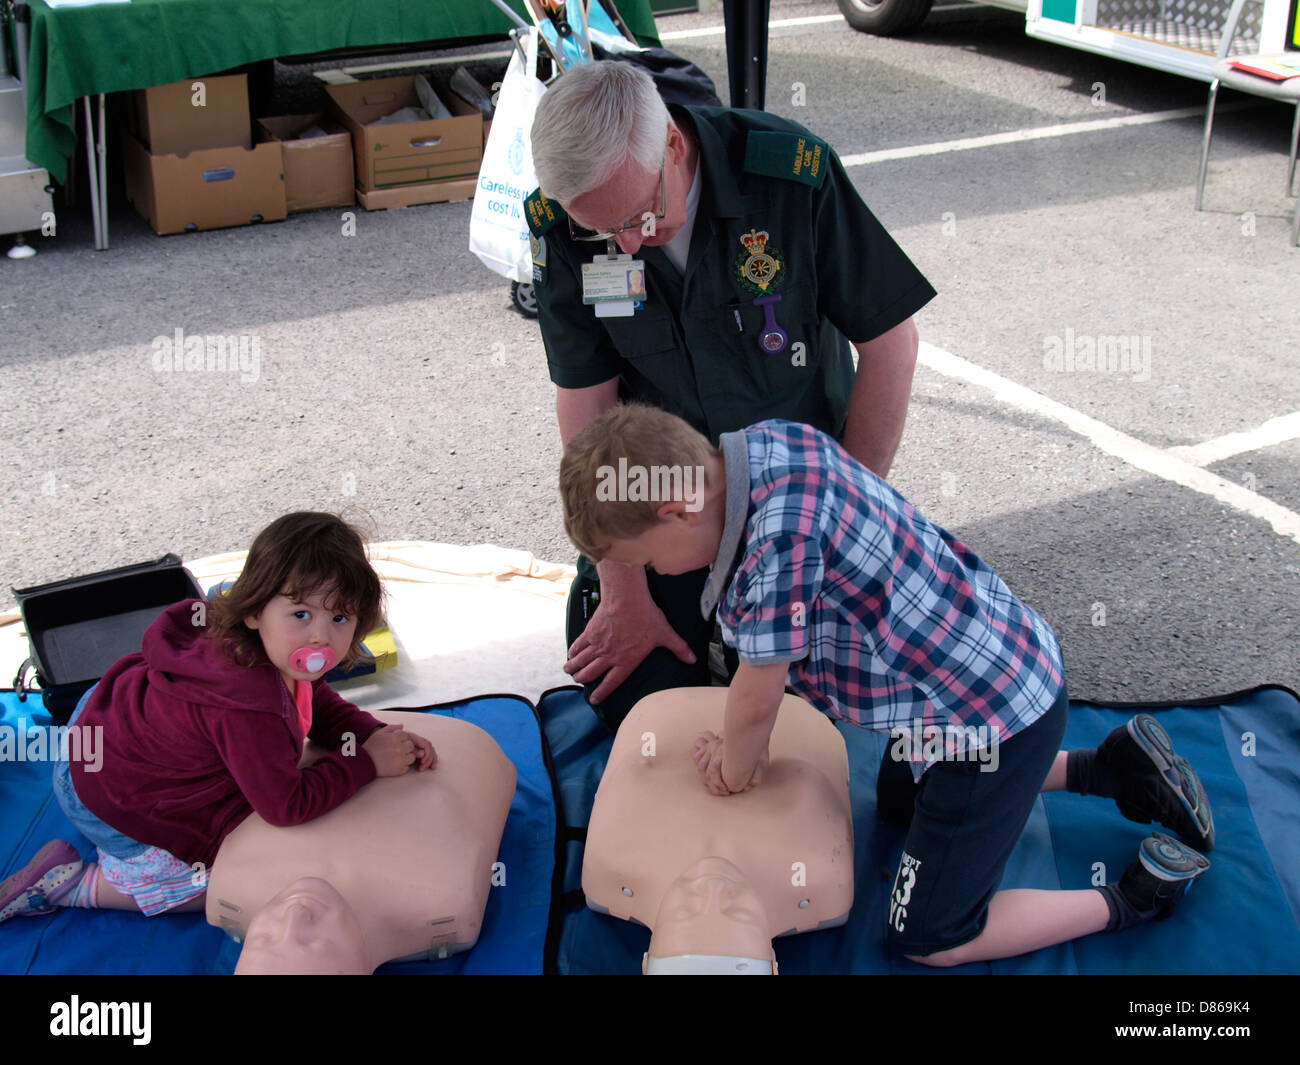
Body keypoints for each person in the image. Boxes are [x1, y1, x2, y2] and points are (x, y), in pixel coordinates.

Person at [558, 405, 1216, 966]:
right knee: (901, 795)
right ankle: (1109, 767)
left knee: (929, 933)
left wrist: (731, 768)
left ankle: (1130, 898)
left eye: (644, 560)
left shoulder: (772, 550)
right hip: (996, 669)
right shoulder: (766, 446)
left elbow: (757, 697)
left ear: (677, 511)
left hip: (993, 718)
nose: (652, 573)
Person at [526, 60, 936, 731]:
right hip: (671, 515)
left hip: (801, 508)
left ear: (674, 147)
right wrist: (623, 585)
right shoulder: (564, 222)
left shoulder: (790, 176)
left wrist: (847, 522)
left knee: (829, 708)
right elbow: (585, 401)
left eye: (637, 215)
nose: (628, 243)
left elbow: (891, 344)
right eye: (604, 232)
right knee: (646, 707)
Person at [0, 512, 435, 925]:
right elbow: (286, 806)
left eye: (340, 617)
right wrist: (367, 763)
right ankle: (74, 885)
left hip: (98, 724)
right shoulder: (245, 705)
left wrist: (372, 734)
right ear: (254, 611)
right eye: (301, 614)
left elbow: (316, 702)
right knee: (234, 886)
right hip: (107, 792)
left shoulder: (261, 646)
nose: (321, 634)